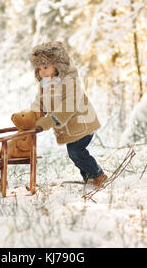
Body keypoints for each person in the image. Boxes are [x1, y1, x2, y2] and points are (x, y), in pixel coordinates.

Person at [29, 41, 107, 187]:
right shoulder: (45, 85)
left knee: (76, 152)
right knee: (76, 154)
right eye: (39, 68)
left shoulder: (70, 82)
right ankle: (90, 178)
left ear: (58, 66)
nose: (42, 72)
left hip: (83, 124)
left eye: (46, 67)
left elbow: (69, 105)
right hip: (70, 129)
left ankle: (98, 175)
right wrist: (32, 115)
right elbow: (40, 102)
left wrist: (50, 120)